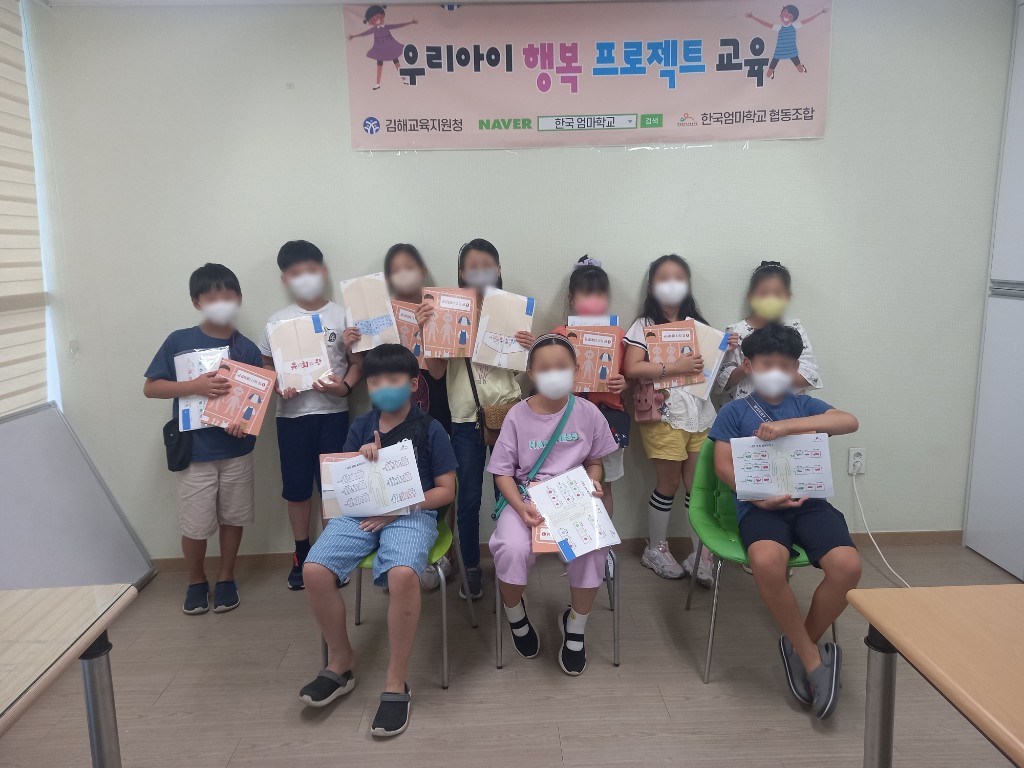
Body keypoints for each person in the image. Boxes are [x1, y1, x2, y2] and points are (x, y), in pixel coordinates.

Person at [299, 344, 457, 738]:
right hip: (361, 513)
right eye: (375, 381)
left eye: (393, 379)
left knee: (403, 574)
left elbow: (447, 490)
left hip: (412, 514)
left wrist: (401, 507)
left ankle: (395, 681)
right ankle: (341, 662)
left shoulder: (431, 429)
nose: (384, 387)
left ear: (413, 383)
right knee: (314, 569)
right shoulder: (361, 426)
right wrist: (362, 458)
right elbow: (345, 482)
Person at [709, 323, 860, 720]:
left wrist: (787, 426)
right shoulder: (734, 411)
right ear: (749, 365)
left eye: (784, 366)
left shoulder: (805, 406)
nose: (775, 372)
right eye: (766, 365)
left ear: (795, 369)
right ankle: (811, 659)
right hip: (759, 506)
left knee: (847, 567)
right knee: (765, 562)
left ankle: (800, 646)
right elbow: (723, 466)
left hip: (810, 504)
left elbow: (849, 422)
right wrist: (761, 496)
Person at [488, 335, 618, 675]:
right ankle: (516, 614)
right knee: (511, 548)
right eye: (545, 368)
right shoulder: (517, 415)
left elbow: (594, 462)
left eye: (562, 366)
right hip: (526, 499)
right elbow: (502, 472)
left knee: (592, 548)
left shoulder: (588, 413)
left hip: (572, 499)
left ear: (575, 369)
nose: (554, 373)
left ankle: (575, 626)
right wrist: (519, 507)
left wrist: (594, 481)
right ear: (531, 374)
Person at [416, 239, 534, 601]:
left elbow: (519, 372)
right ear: (461, 273)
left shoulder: (511, 309)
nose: (480, 271)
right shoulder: (447, 309)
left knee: (508, 495)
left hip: (508, 415)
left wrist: (527, 348)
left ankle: (510, 562)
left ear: (498, 270)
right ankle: (470, 565)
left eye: (487, 265)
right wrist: (426, 330)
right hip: (465, 419)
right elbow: (437, 372)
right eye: (472, 266)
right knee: (467, 499)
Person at [143, 263, 264, 615]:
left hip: (236, 449)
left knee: (233, 517)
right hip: (195, 451)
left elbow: (255, 401)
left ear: (239, 298)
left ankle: (226, 577)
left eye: (227, 295)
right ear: (197, 302)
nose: (220, 302)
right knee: (195, 525)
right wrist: (194, 386)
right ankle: (196, 580)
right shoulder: (179, 341)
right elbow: (151, 387)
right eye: (211, 297)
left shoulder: (246, 349)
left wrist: (244, 422)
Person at [622, 255, 738, 583]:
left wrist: (725, 348)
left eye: (678, 278)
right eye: (664, 278)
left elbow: (710, 370)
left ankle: (701, 553)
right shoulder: (644, 324)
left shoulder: (698, 325)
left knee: (697, 486)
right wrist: (675, 367)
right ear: (651, 286)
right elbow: (631, 367)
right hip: (665, 416)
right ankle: (655, 549)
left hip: (700, 414)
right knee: (668, 483)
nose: (671, 284)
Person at [258, 240, 363, 591]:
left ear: (324, 271)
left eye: (310, 270)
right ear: (285, 279)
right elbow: (267, 366)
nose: (304, 278)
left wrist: (344, 388)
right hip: (291, 417)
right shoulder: (276, 321)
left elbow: (357, 364)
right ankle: (301, 552)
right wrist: (277, 385)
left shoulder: (342, 315)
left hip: (333, 413)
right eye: (295, 273)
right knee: (297, 489)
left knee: (332, 490)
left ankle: (332, 556)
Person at [383, 242, 454, 591]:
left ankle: (442, 554)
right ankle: (398, 551)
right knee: (397, 478)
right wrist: (356, 343)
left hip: (435, 410)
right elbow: (373, 371)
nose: (404, 274)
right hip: (393, 413)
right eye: (395, 269)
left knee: (440, 478)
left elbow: (439, 372)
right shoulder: (381, 316)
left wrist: (428, 328)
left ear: (423, 271)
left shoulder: (438, 309)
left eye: (409, 266)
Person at [553, 257, 629, 517]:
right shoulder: (560, 334)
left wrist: (624, 383)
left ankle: (604, 539)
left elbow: (630, 375)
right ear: (572, 298)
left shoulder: (619, 335)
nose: (594, 300)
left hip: (608, 420)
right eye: (587, 293)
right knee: (568, 483)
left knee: (604, 486)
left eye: (600, 294)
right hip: (568, 418)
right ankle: (574, 536)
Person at [717, 260, 821, 401]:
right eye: (763, 294)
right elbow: (721, 382)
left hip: (786, 410)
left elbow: (808, 375)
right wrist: (745, 368)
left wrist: (769, 374)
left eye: (777, 294)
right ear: (750, 297)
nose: (770, 300)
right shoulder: (735, 332)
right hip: (745, 409)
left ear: (788, 297)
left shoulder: (795, 329)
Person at [746, 5, 829, 80]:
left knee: (801, 70)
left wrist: (820, 13)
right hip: (779, 52)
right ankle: (772, 71)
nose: (786, 16)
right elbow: (766, 24)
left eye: (789, 16)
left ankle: (802, 67)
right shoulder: (779, 28)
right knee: (768, 75)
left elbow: (807, 21)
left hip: (792, 52)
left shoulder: (794, 26)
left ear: (793, 19)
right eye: (785, 13)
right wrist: (753, 17)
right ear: (781, 14)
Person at [346, 4, 418, 90]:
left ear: (383, 16)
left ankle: (404, 79)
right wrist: (354, 36)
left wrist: (410, 22)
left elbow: (398, 25)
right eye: (374, 20)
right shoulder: (374, 29)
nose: (377, 20)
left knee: (397, 63)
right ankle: (378, 84)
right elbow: (364, 33)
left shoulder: (386, 27)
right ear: (370, 22)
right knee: (379, 66)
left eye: (378, 17)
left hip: (391, 47)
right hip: (380, 49)